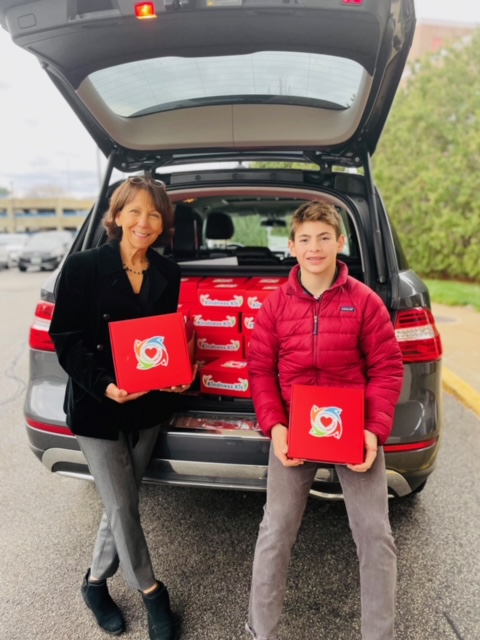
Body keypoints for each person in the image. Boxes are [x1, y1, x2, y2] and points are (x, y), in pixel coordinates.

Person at [245, 201, 404, 640]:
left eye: (323, 238)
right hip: (294, 429)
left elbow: (388, 368)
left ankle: (379, 634)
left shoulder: (365, 302)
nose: (314, 248)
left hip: (353, 429)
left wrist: (373, 432)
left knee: (375, 535)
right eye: (305, 239)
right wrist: (275, 426)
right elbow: (259, 370)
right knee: (275, 528)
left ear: (340, 242)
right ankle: (261, 631)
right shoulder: (276, 306)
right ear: (292, 246)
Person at [49, 176, 192, 640]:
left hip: (146, 408)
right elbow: (66, 340)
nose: (144, 222)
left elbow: (160, 342)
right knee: (124, 504)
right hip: (98, 406)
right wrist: (106, 386)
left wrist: (172, 374)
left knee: (119, 504)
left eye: (154, 214)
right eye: (134, 211)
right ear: (116, 215)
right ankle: (154, 593)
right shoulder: (83, 267)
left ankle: (94, 585)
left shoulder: (167, 273)